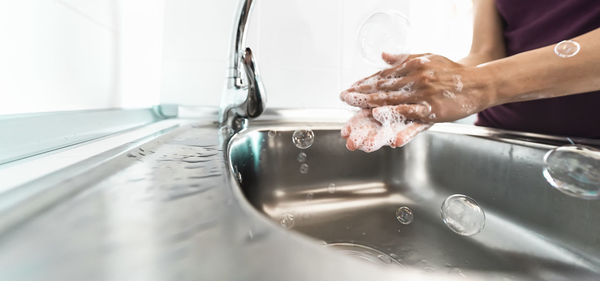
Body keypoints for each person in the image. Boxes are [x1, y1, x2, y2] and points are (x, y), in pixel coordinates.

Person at [340, 0, 600, 152]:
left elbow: (477, 81)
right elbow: (486, 53)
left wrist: (475, 86)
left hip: (587, 153)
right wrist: (429, 89)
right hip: (500, 142)